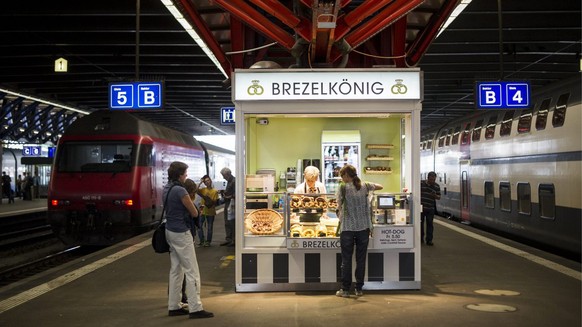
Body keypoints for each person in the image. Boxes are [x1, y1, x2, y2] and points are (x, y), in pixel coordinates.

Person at [163, 161, 213, 319]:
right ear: (179, 175)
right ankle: (195, 307)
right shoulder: (180, 191)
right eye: (185, 173)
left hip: (169, 231)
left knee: (176, 269)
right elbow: (194, 213)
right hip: (182, 233)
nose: (186, 176)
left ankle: (174, 305)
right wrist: (196, 209)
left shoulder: (167, 188)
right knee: (192, 271)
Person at [335, 164, 383, 298]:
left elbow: (338, 205)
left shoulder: (343, 187)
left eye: (342, 176)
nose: (342, 179)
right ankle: (359, 288)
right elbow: (380, 186)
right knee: (361, 259)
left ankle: (345, 290)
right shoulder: (365, 185)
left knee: (346, 260)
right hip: (363, 228)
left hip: (347, 228)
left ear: (346, 175)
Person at [197, 175, 219, 247]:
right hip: (202, 210)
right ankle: (202, 240)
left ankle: (208, 242)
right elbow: (195, 190)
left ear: (210, 181)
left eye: (208, 180)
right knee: (199, 226)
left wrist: (209, 200)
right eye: (205, 181)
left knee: (210, 228)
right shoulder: (203, 189)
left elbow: (215, 201)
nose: (207, 182)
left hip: (210, 211)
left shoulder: (215, 191)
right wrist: (200, 182)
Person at [420, 171, 441, 246]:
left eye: (434, 180)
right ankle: (420, 239)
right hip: (421, 208)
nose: (432, 181)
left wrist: (435, 195)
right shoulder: (421, 184)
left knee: (430, 224)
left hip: (430, 208)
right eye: (431, 179)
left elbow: (439, 197)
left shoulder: (436, 186)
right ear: (427, 178)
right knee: (420, 223)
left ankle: (429, 240)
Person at [219, 167, 235, 247]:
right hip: (228, 203)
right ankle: (228, 239)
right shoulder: (230, 181)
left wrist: (228, 196)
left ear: (228, 174)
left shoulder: (234, 181)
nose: (223, 177)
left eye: (223, 175)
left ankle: (233, 239)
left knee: (231, 222)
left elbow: (237, 194)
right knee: (227, 222)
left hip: (232, 204)